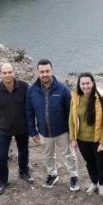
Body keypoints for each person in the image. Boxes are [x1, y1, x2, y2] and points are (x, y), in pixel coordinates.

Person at [26, 59, 79, 191]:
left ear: (52, 71)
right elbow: (29, 111)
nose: (45, 74)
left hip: (62, 131)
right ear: (38, 73)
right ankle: (52, 174)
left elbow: (71, 113)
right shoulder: (32, 90)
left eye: (47, 71)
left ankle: (74, 176)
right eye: (42, 72)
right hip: (43, 131)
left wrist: (73, 134)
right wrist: (32, 131)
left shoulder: (62, 89)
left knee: (69, 155)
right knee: (48, 155)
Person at [0, 62, 32, 195]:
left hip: (22, 126)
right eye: (4, 73)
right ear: (0, 74)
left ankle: (23, 172)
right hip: (3, 128)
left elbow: (29, 105)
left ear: (14, 72)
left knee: (23, 151)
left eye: (10, 72)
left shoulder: (24, 87)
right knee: (1, 156)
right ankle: (2, 182)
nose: (7, 75)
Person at [69, 73, 103, 196]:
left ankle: (102, 184)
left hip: (97, 139)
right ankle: (94, 182)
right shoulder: (76, 97)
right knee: (89, 162)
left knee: (100, 163)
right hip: (82, 139)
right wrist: (73, 138)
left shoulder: (101, 97)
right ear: (79, 84)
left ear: (93, 83)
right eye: (83, 83)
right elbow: (71, 119)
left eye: (88, 83)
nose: (86, 86)